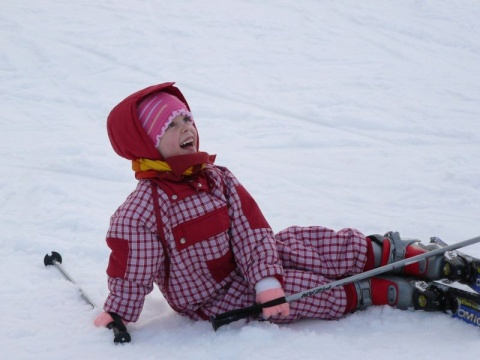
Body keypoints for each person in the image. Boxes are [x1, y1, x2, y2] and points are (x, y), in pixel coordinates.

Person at [94, 82, 475, 330]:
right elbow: (132, 272)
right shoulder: (141, 213)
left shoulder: (217, 177)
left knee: (317, 243)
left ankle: (424, 258)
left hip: (256, 261)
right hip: (214, 298)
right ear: (147, 143)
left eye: (187, 118)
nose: (187, 127)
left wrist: (264, 277)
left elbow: (251, 230)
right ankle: (395, 291)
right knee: (305, 290)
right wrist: (118, 314)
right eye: (171, 125)